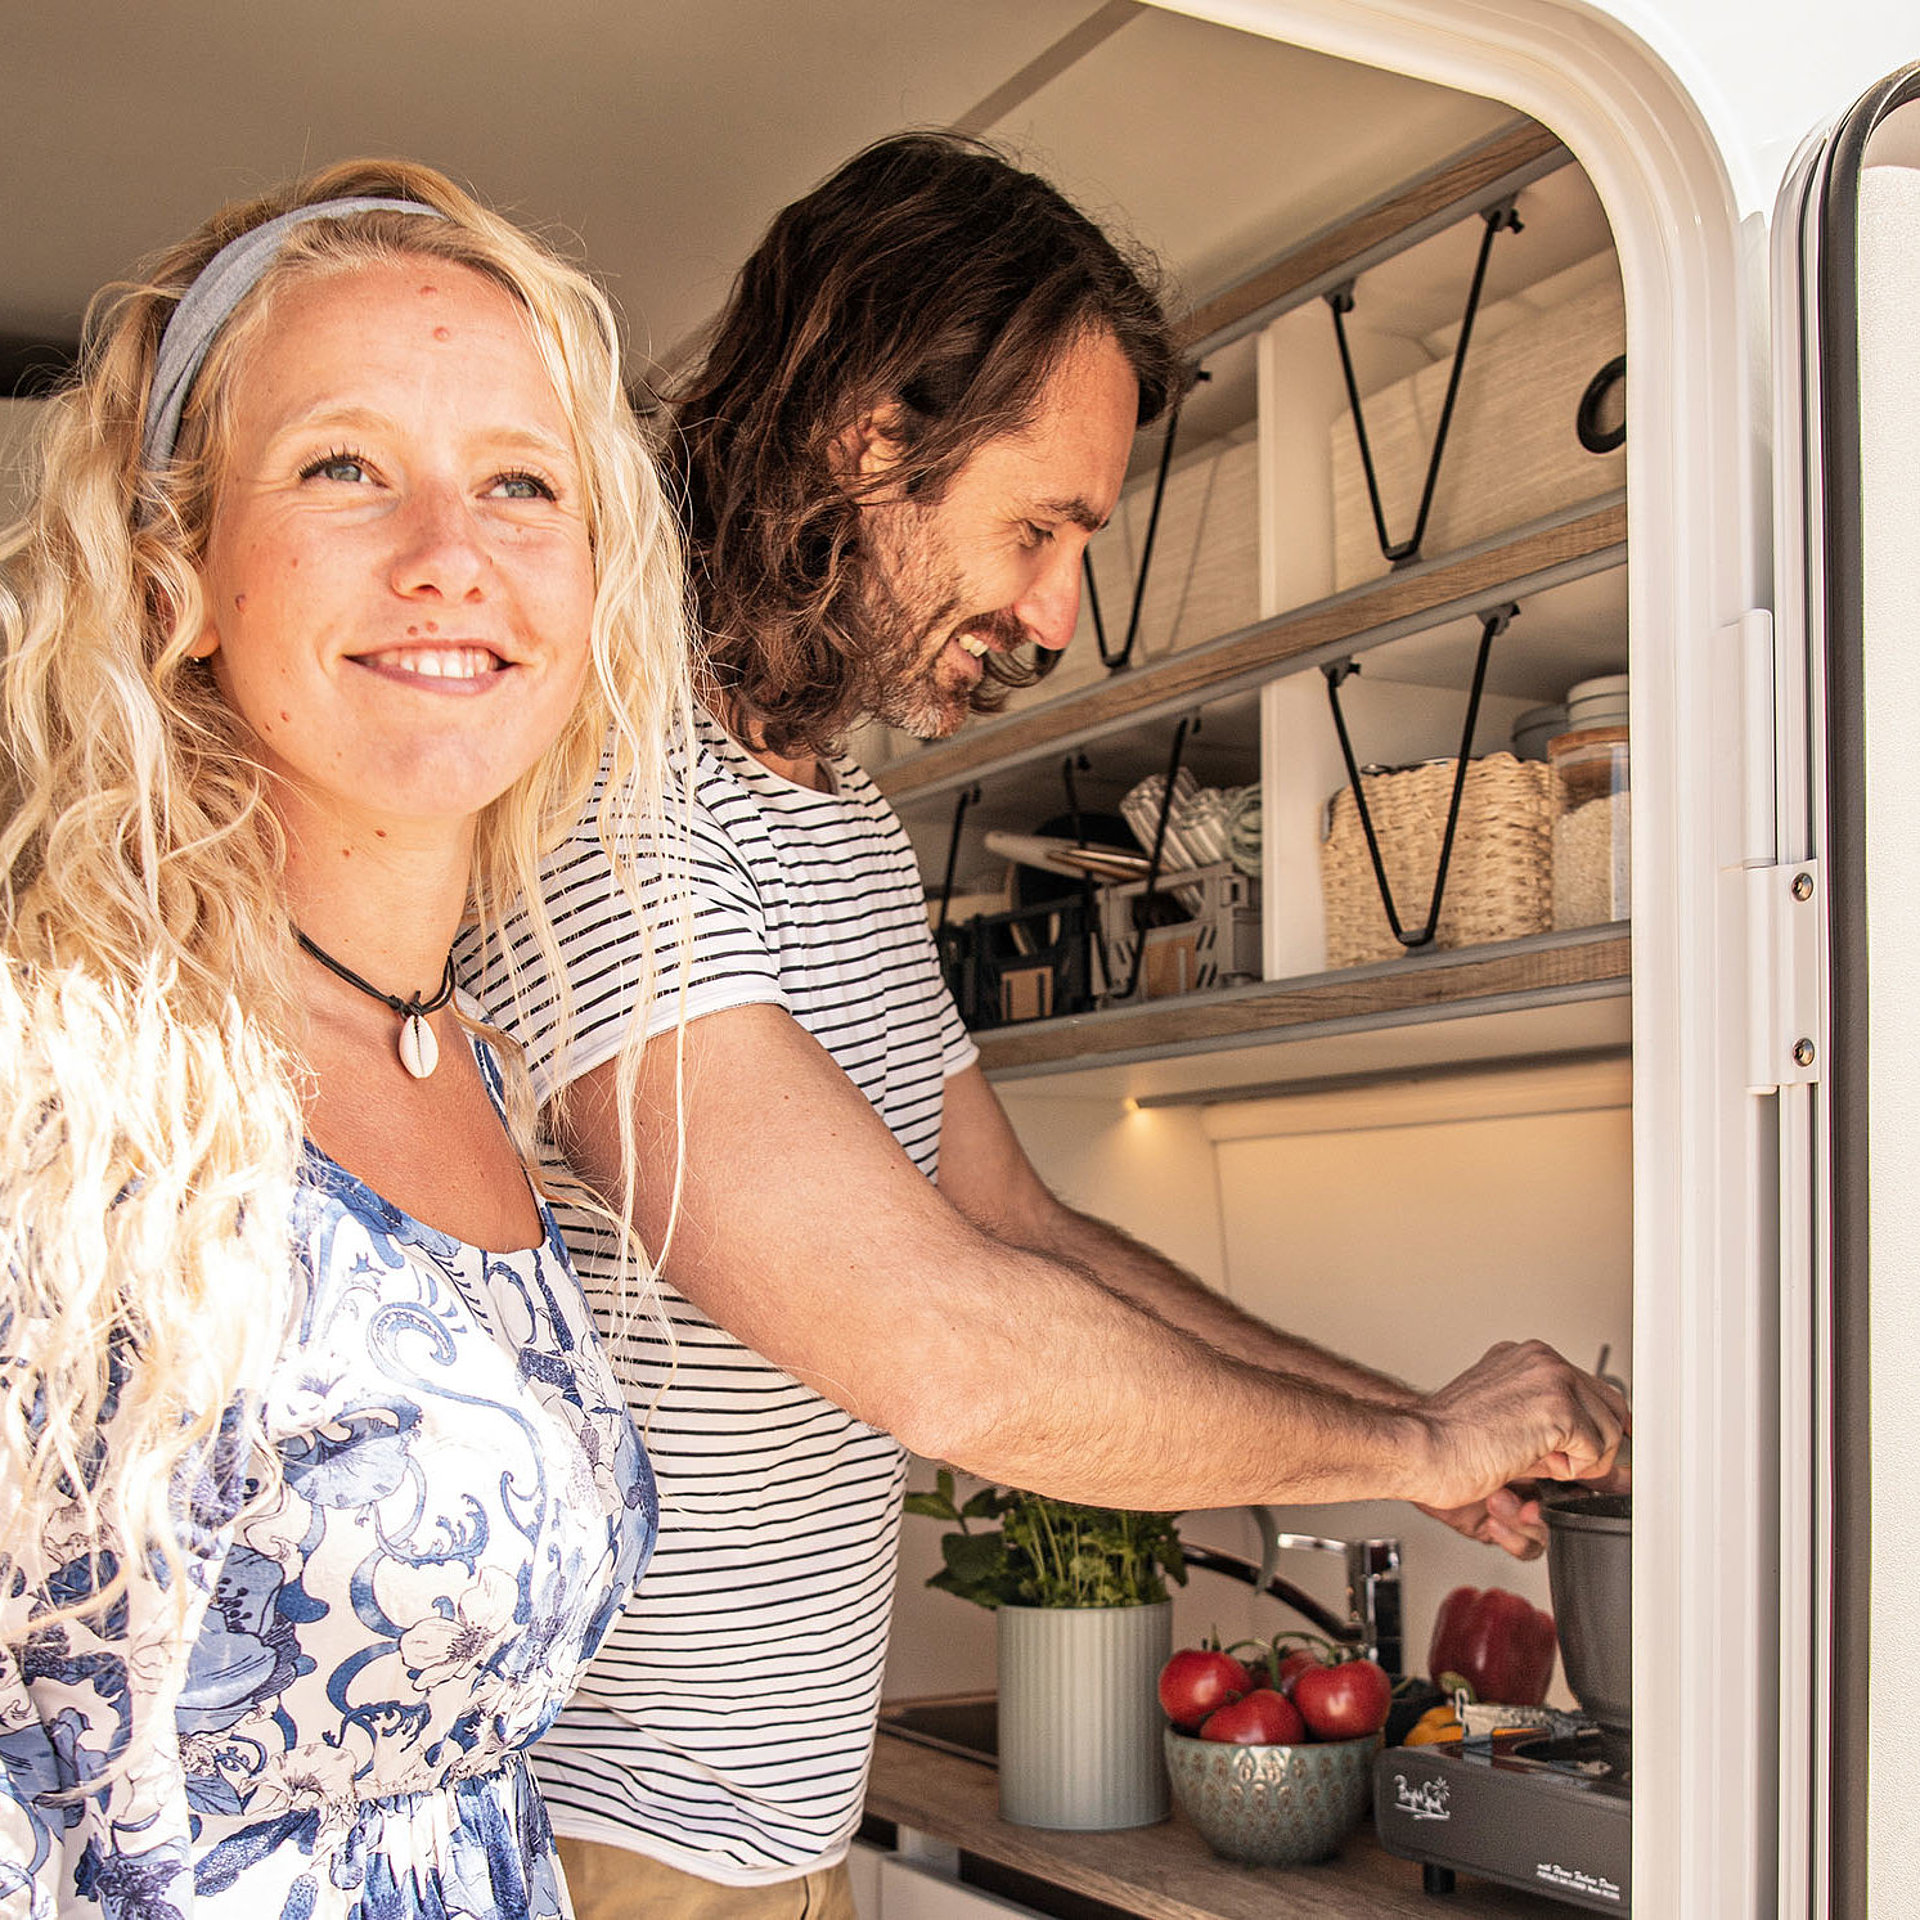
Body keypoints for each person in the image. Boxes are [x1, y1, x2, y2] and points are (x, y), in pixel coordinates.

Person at [458, 133, 1627, 1920]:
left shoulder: (831, 819)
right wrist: (1406, 1455)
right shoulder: (609, 807)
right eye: (1039, 527)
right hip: (613, 1846)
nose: (1055, 612)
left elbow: (1022, 1231)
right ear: (867, 443)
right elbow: (948, 1351)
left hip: (783, 1830)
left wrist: (1418, 1423)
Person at [0, 158, 695, 1917]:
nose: (449, 557)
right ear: (178, 566)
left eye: (520, 486)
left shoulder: (468, 1063)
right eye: (343, 467)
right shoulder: (60, 1069)